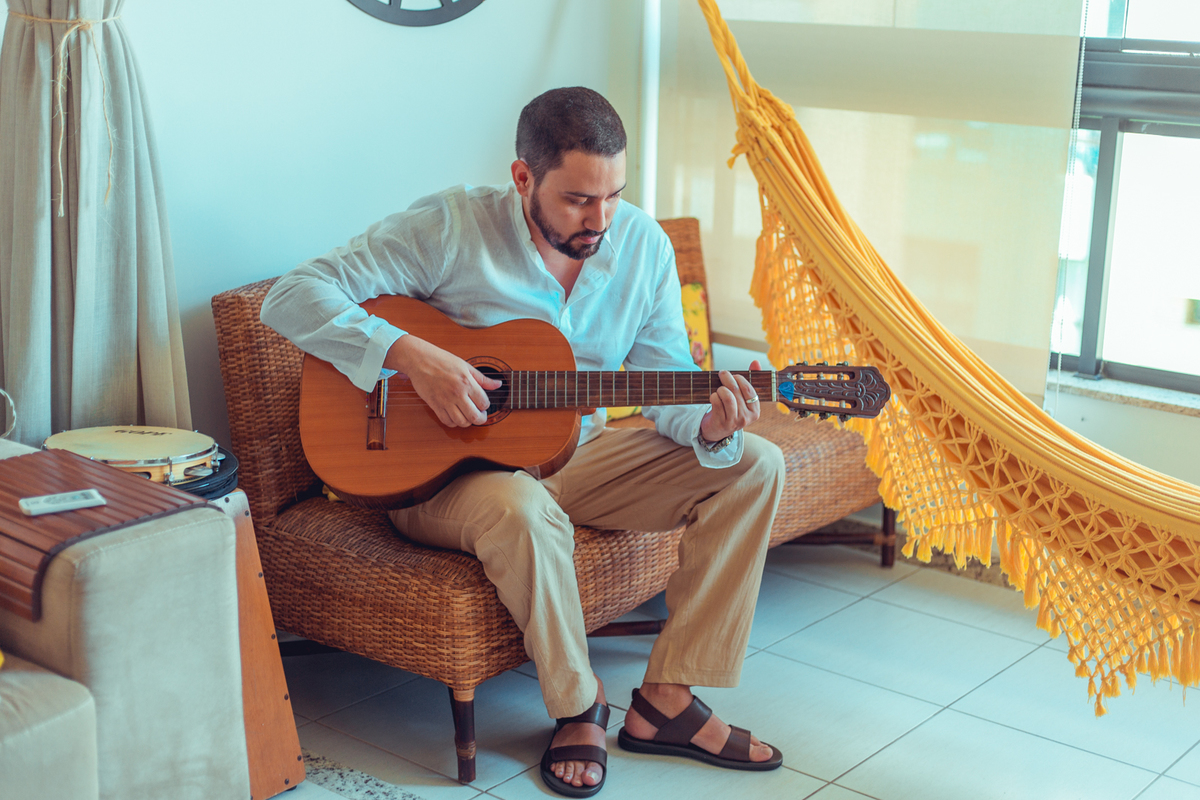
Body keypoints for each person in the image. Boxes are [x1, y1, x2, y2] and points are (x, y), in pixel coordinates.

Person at [261, 86, 786, 797]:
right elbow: (292, 295)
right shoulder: (450, 228)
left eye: (613, 195)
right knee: (519, 506)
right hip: (446, 479)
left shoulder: (641, 245)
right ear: (523, 177)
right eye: (577, 200)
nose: (601, 219)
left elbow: (665, 389)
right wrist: (412, 355)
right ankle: (578, 708)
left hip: (580, 455)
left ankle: (665, 701)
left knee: (755, 465)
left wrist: (712, 423)